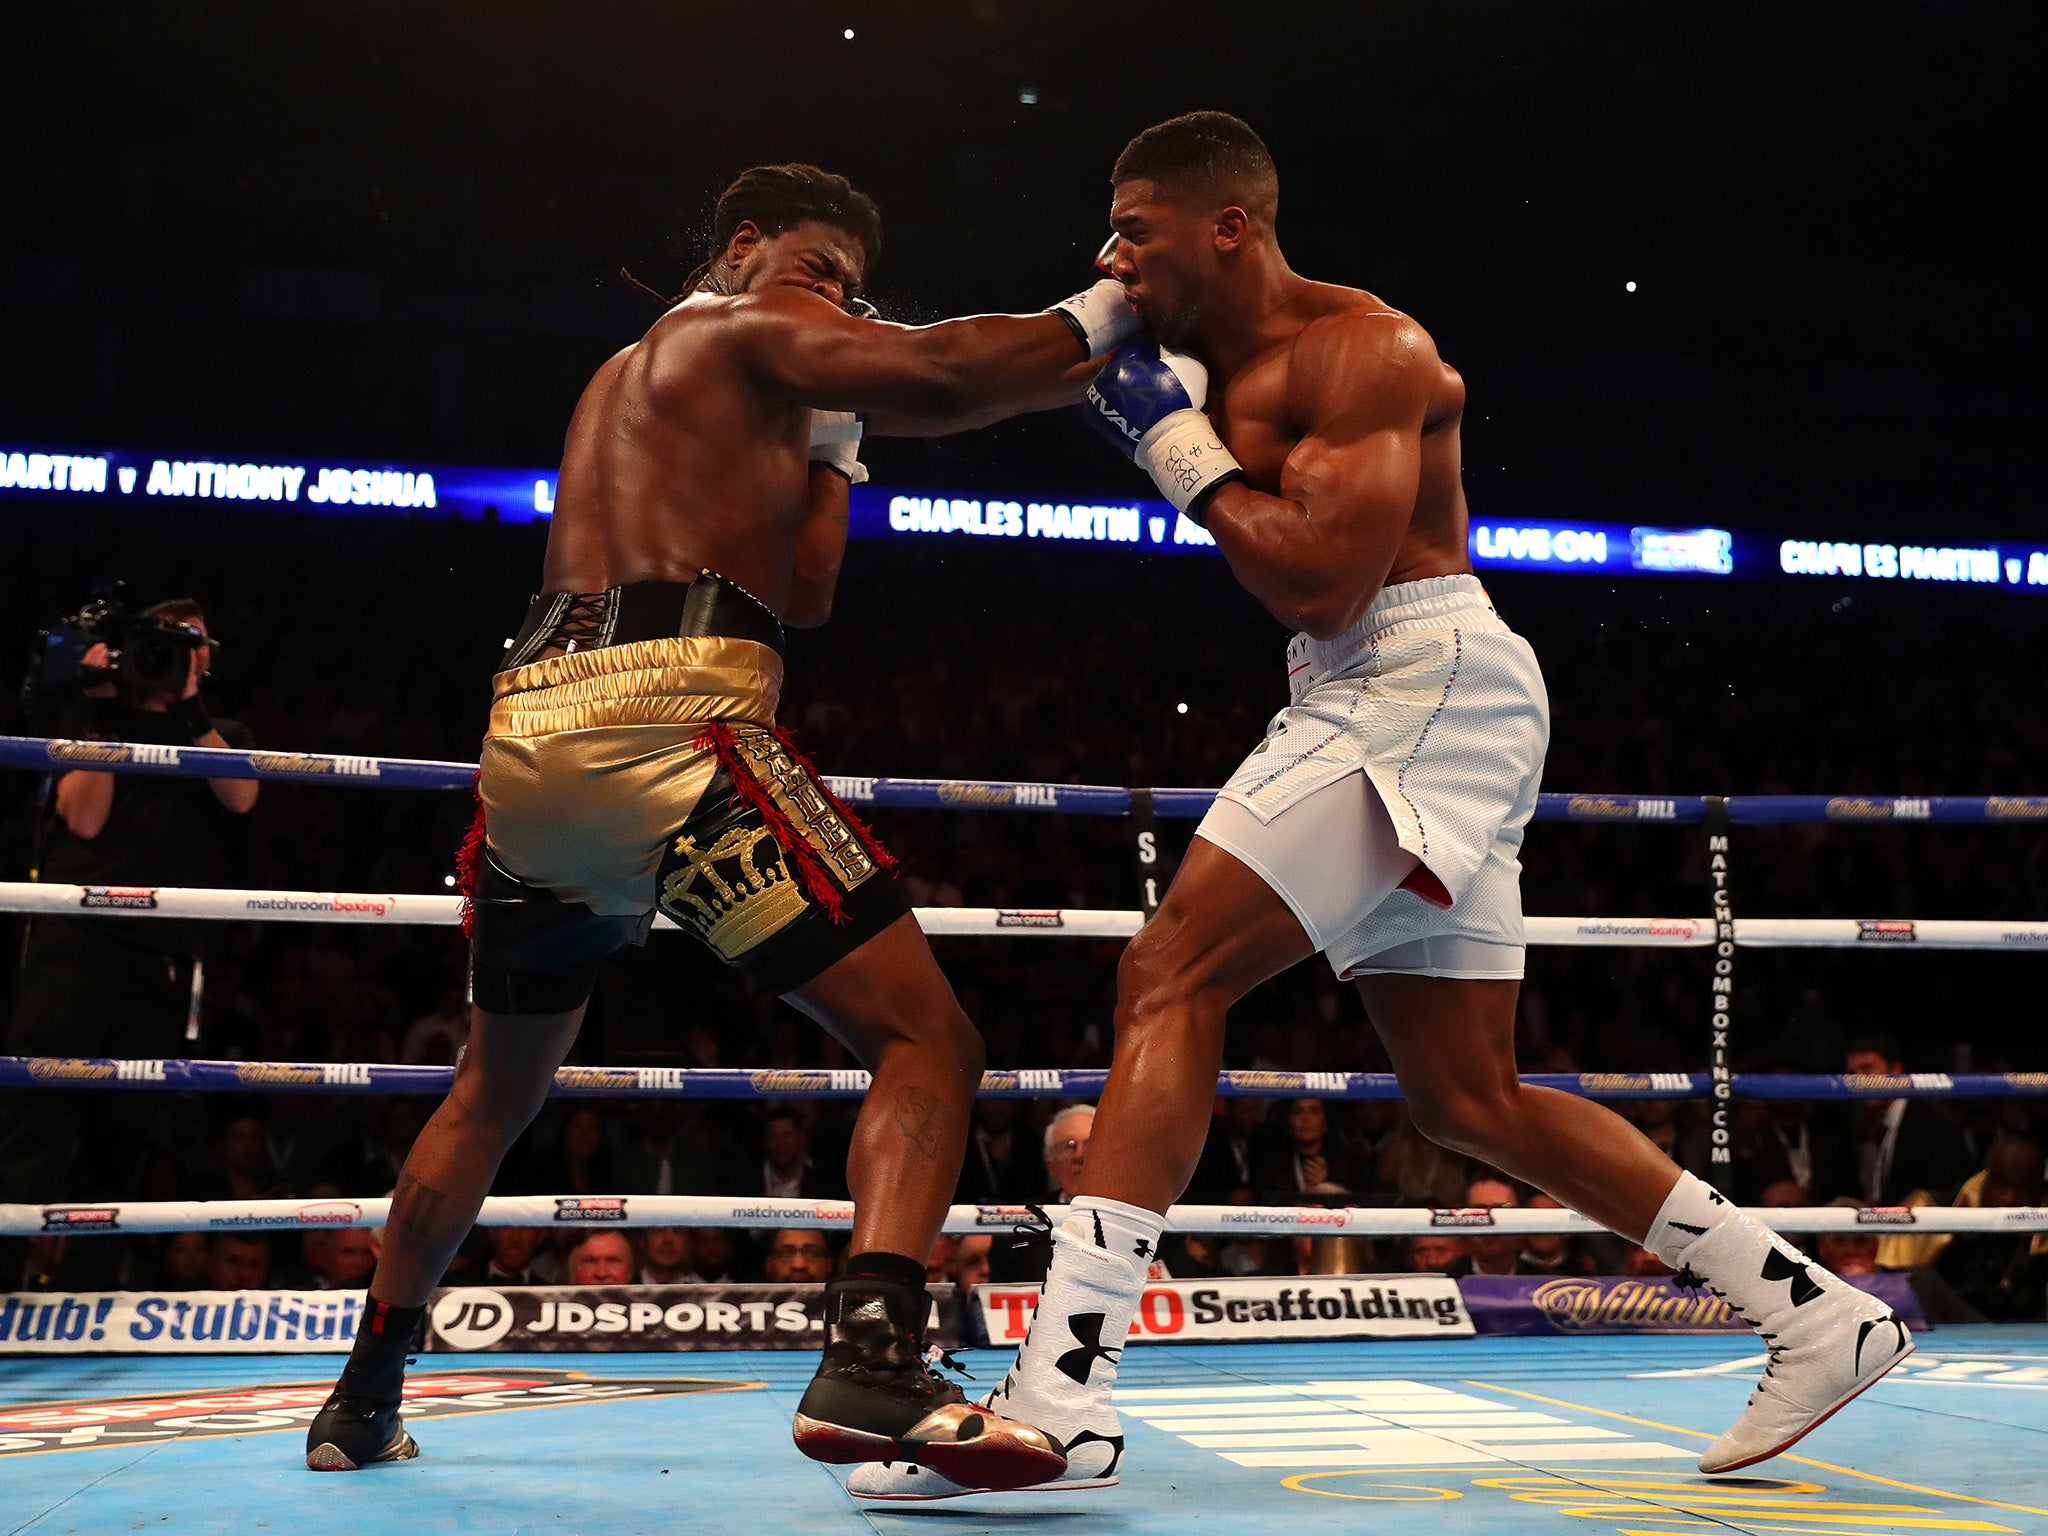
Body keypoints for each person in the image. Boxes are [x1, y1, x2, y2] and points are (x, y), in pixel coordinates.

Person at [851, 111, 1907, 1502]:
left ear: (1228, 224)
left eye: (1134, 225)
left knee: (1169, 971)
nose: (1111, 253)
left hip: (1417, 671)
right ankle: (1817, 1313)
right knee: (1466, 1092)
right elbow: (971, 375)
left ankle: (1062, 1397)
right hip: (1370, 682)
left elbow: (1324, 583)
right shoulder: (1167, 339)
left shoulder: (1369, 352)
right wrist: (840, 381)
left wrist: (1174, 450)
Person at [307, 161, 1137, 1485]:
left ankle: (363, 1396)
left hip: (533, 738)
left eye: (850, 292)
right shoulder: (726, 325)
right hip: (673, 716)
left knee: (495, 1088)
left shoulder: (652, 390)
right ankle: (872, 1360)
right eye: (818, 271)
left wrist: (831, 453)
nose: (833, 305)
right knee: (930, 1038)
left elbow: (805, 594)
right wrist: (1114, 304)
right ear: (744, 247)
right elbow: (946, 373)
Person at [0, 600, 257, 1206]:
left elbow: (242, 797)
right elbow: (86, 821)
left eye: (198, 641)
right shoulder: (88, 719)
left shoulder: (226, 738)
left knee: (130, 1126)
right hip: (75, 939)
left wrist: (192, 713)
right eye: (171, 640)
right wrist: (98, 711)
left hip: (161, 953)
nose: (187, 651)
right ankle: (7, 1277)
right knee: (35, 1111)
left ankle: (95, 1287)